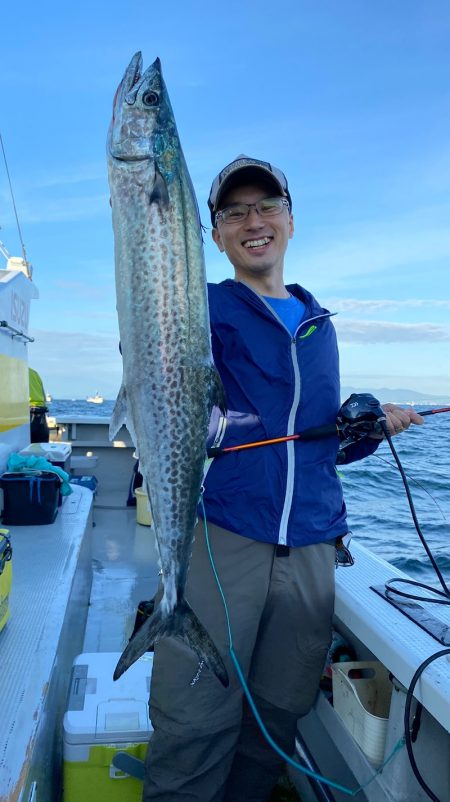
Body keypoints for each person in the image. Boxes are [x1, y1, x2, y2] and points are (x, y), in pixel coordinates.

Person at [143, 156, 424, 802]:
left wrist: (367, 429)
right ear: (215, 235)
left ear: (291, 221)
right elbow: (170, 370)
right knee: (193, 719)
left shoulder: (319, 325)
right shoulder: (202, 307)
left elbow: (315, 448)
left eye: (267, 206)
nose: (253, 221)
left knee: (275, 714)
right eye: (234, 212)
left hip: (313, 546)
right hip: (228, 535)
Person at [28, 367, 49, 443]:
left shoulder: (12, 371)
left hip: (27, 413)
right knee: (40, 446)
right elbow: (44, 398)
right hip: (41, 413)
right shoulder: (34, 373)